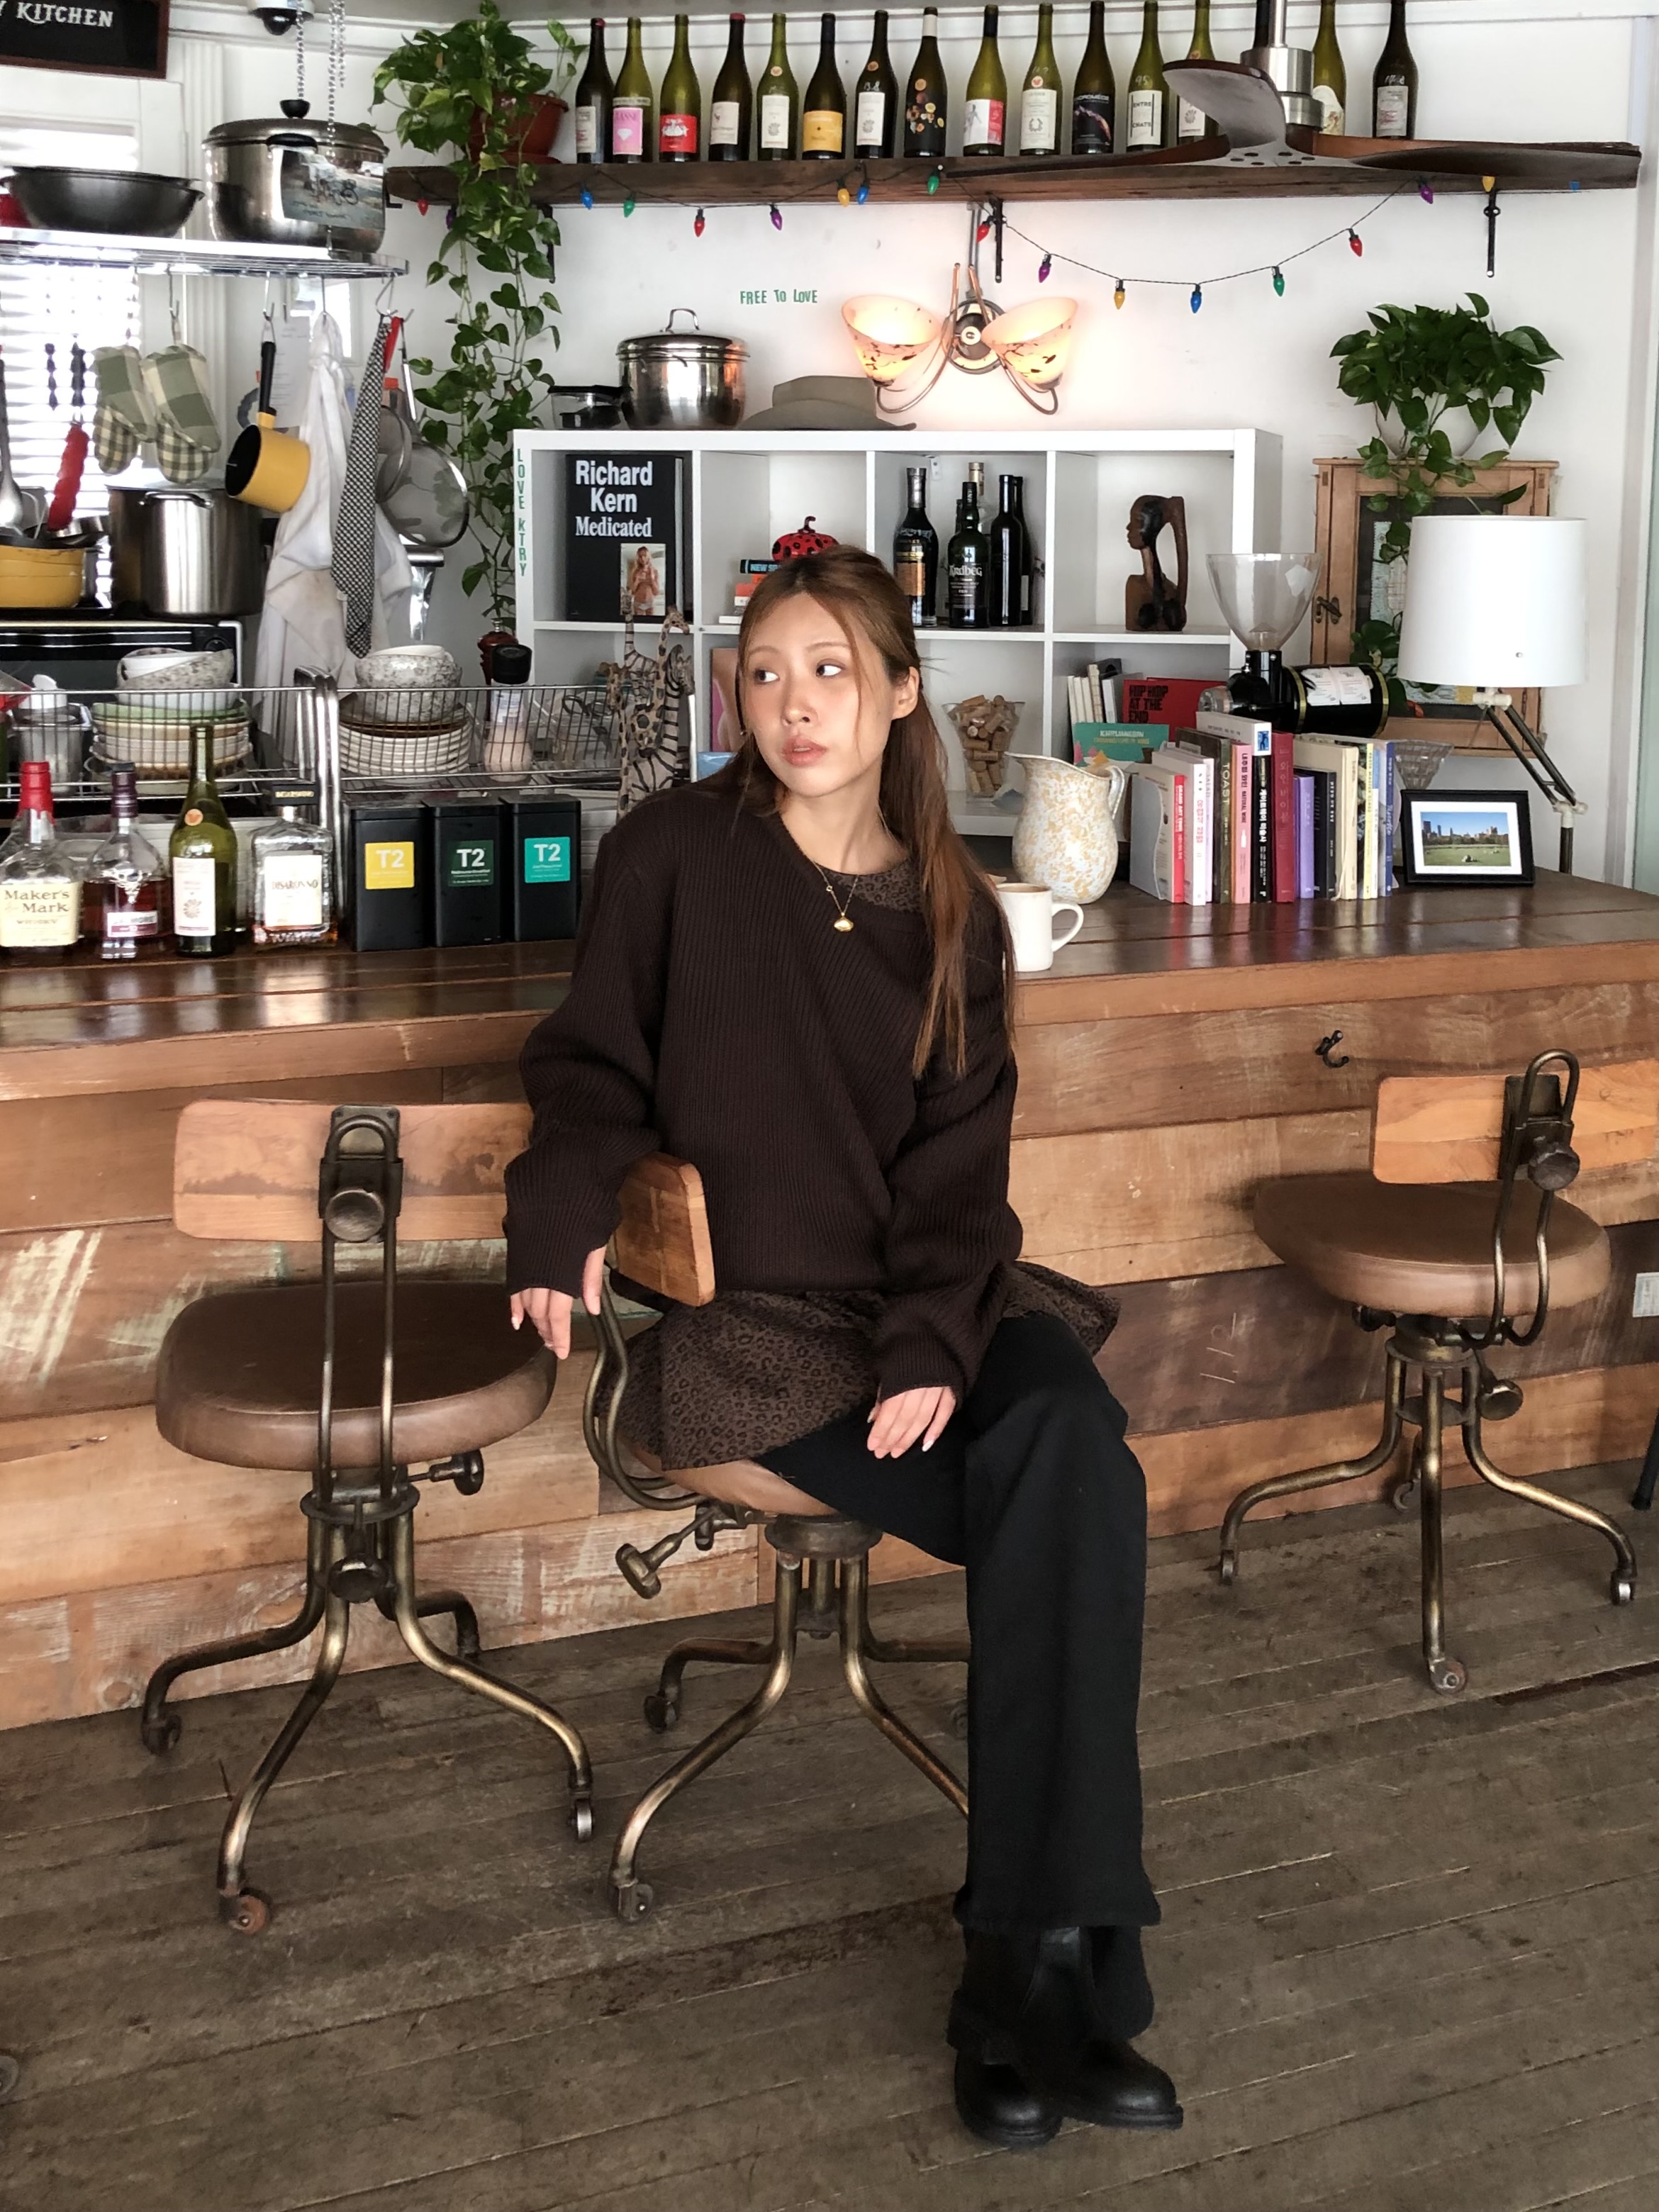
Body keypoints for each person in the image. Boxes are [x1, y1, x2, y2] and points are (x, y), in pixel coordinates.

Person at [505, 544, 1181, 2150]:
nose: (794, 703)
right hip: (755, 1334)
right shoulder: (674, 855)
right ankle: (1046, 1978)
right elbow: (589, 1067)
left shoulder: (959, 919)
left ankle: (1027, 1967)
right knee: (1072, 1507)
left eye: (829, 670)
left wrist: (933, 1347)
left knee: (1068, 1449)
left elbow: (960, 1179)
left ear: (899, 694)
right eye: (766, 673)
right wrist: (558, 1214)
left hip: (933, 1308)